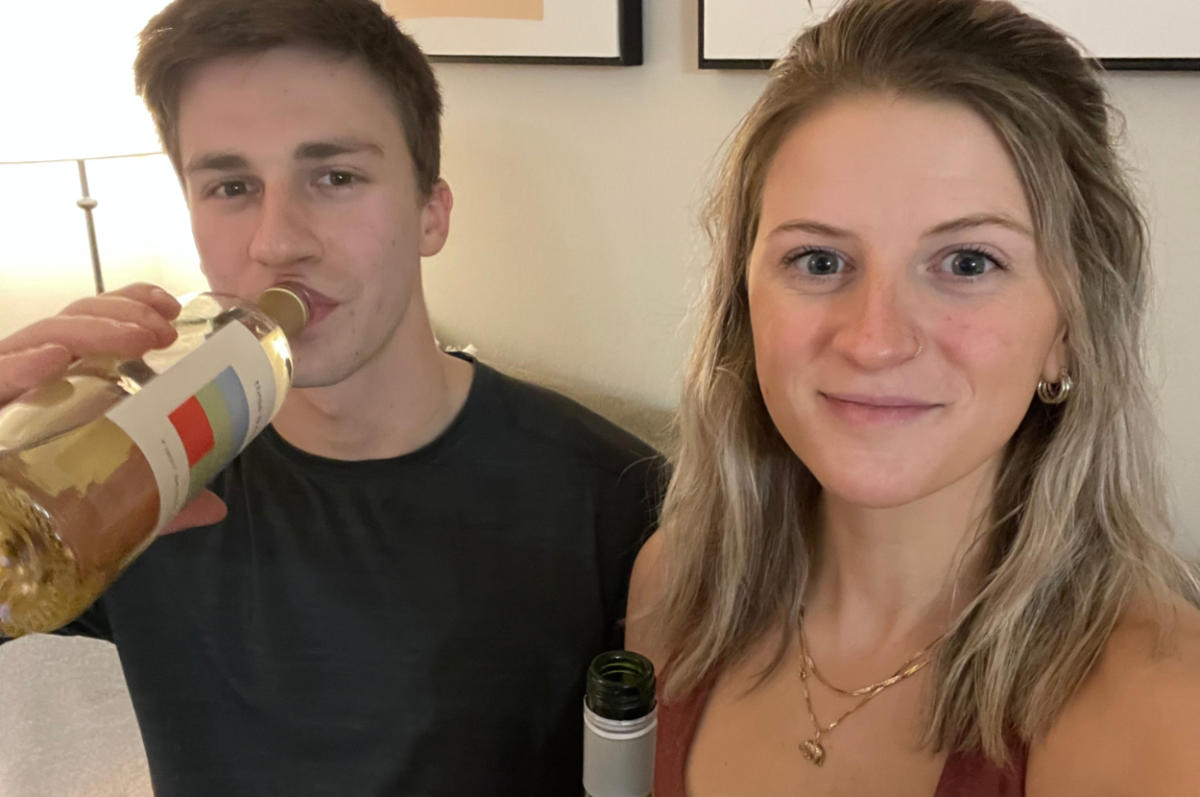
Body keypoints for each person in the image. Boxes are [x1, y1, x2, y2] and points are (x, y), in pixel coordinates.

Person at [0, 1, 661, 794]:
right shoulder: (138, 471)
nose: (278, 240)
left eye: (336, 176)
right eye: (232, 185)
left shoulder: (613, 496)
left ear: (431, 213)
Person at [626, 0, 1200, 795]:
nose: (874, 339)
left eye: (967, 263)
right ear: (741, 301)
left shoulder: (1163, 709)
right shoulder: (675, 584)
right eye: (819, 261)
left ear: (1070, 325)